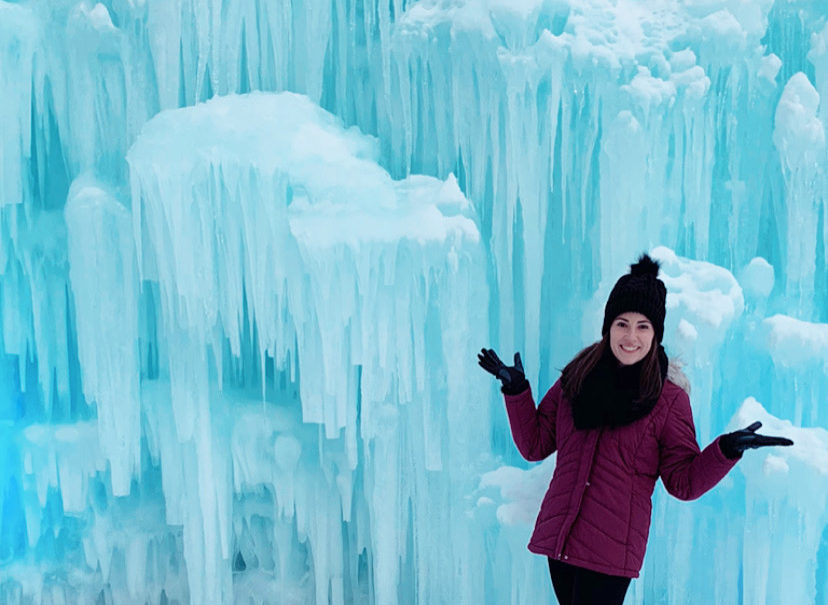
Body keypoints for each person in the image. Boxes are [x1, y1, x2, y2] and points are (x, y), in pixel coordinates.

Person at [477, 254, 793, 605]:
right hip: (562, 544)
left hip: (611, 555)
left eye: (643, 326)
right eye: (622, 324)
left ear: (656, 333)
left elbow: (683, 481)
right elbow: (534, 445)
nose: (631, 336)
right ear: (608, 327)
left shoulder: (667, 399)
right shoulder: (576, 379)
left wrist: (726, 450)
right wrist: (516, 391)